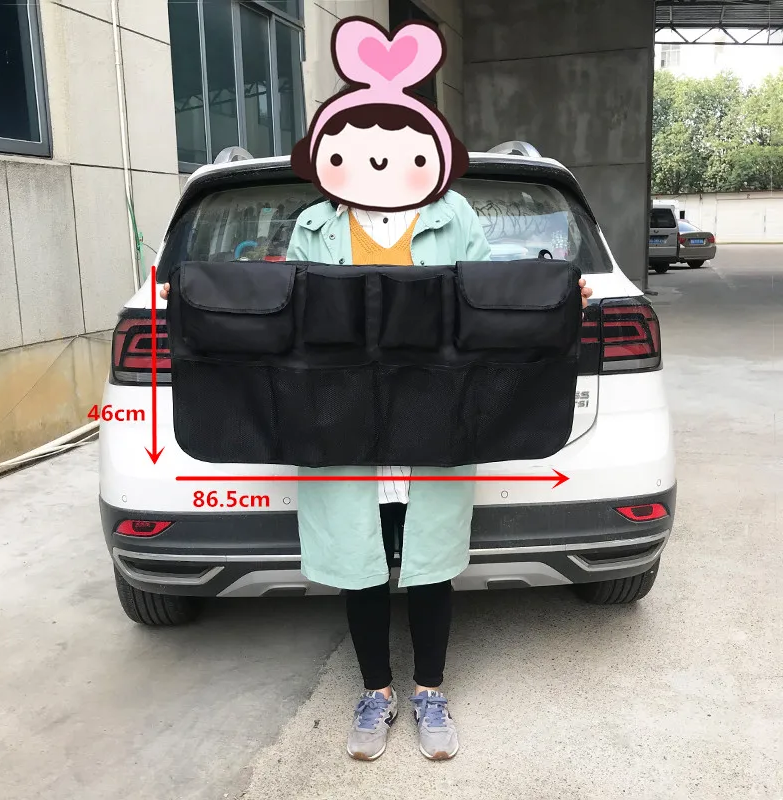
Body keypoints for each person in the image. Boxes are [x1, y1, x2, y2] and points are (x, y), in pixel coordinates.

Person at [163, 16, 591, 763]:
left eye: (401, 144)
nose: (381, 158)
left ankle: (429, 691)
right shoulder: (314, 224)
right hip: (338, 418)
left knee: (429, 565)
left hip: (437, 413)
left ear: (429, 150)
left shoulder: (453, 216)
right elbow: (285, 312)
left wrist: (557, 299)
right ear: (331, 154)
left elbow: (489, 299)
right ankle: (375, 694)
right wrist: (196, 305)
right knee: (356, 564)